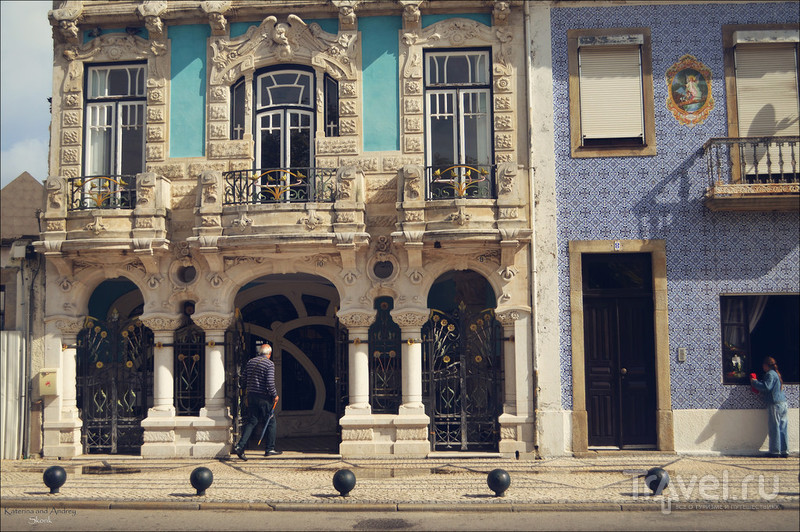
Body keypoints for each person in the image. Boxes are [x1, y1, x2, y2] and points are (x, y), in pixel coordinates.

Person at [232, 344, 282, 460]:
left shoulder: (251, 362)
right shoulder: (269, 364)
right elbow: (269, 382)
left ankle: (240, 446)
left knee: (251, 422)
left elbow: (244, 377)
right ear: (269, 354)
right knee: (270, 421)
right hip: (264, 397)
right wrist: (275, 395)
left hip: (251, 396)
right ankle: (270, 448)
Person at [750, 357, 789, 458]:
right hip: (783, 403)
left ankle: (775, 452)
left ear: (766, 365)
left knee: (774, 427)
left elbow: (766, 387)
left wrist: (754, 382)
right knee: (782, 428)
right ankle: (784, 451)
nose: (762, 367)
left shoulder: (770, 374)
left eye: (763, 365)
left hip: (775, 404)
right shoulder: (776, 374)